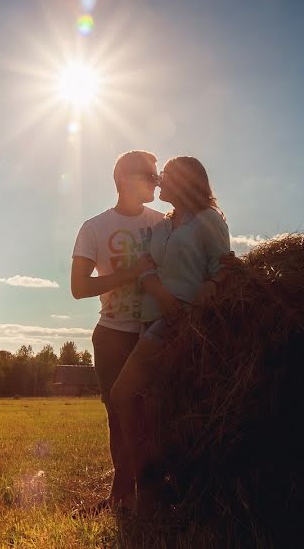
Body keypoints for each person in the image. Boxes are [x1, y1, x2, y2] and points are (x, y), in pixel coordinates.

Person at [108, 155, 232, 516]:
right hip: (153, 317)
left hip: (182, 323)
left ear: (186, 183)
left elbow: (223, 268)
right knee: (152, 406)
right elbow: (146, 270)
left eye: (167, 176)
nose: (159, 180)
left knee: (122, 393)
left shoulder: (209, 220)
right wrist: (160, 295)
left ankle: (146, 490)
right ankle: (152, 492)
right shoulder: (162, 226)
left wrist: (207, 289)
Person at [71, 150, 164, 512]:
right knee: (118, 416)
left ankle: (145, 493)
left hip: (154, 331)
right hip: (111, 335)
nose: (157, 182)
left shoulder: (162, 222)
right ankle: (124, 497)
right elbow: (79, 287)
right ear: (125, 178)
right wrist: (131, 272)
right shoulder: (94, 227)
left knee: (152, 412)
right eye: (150, 176)